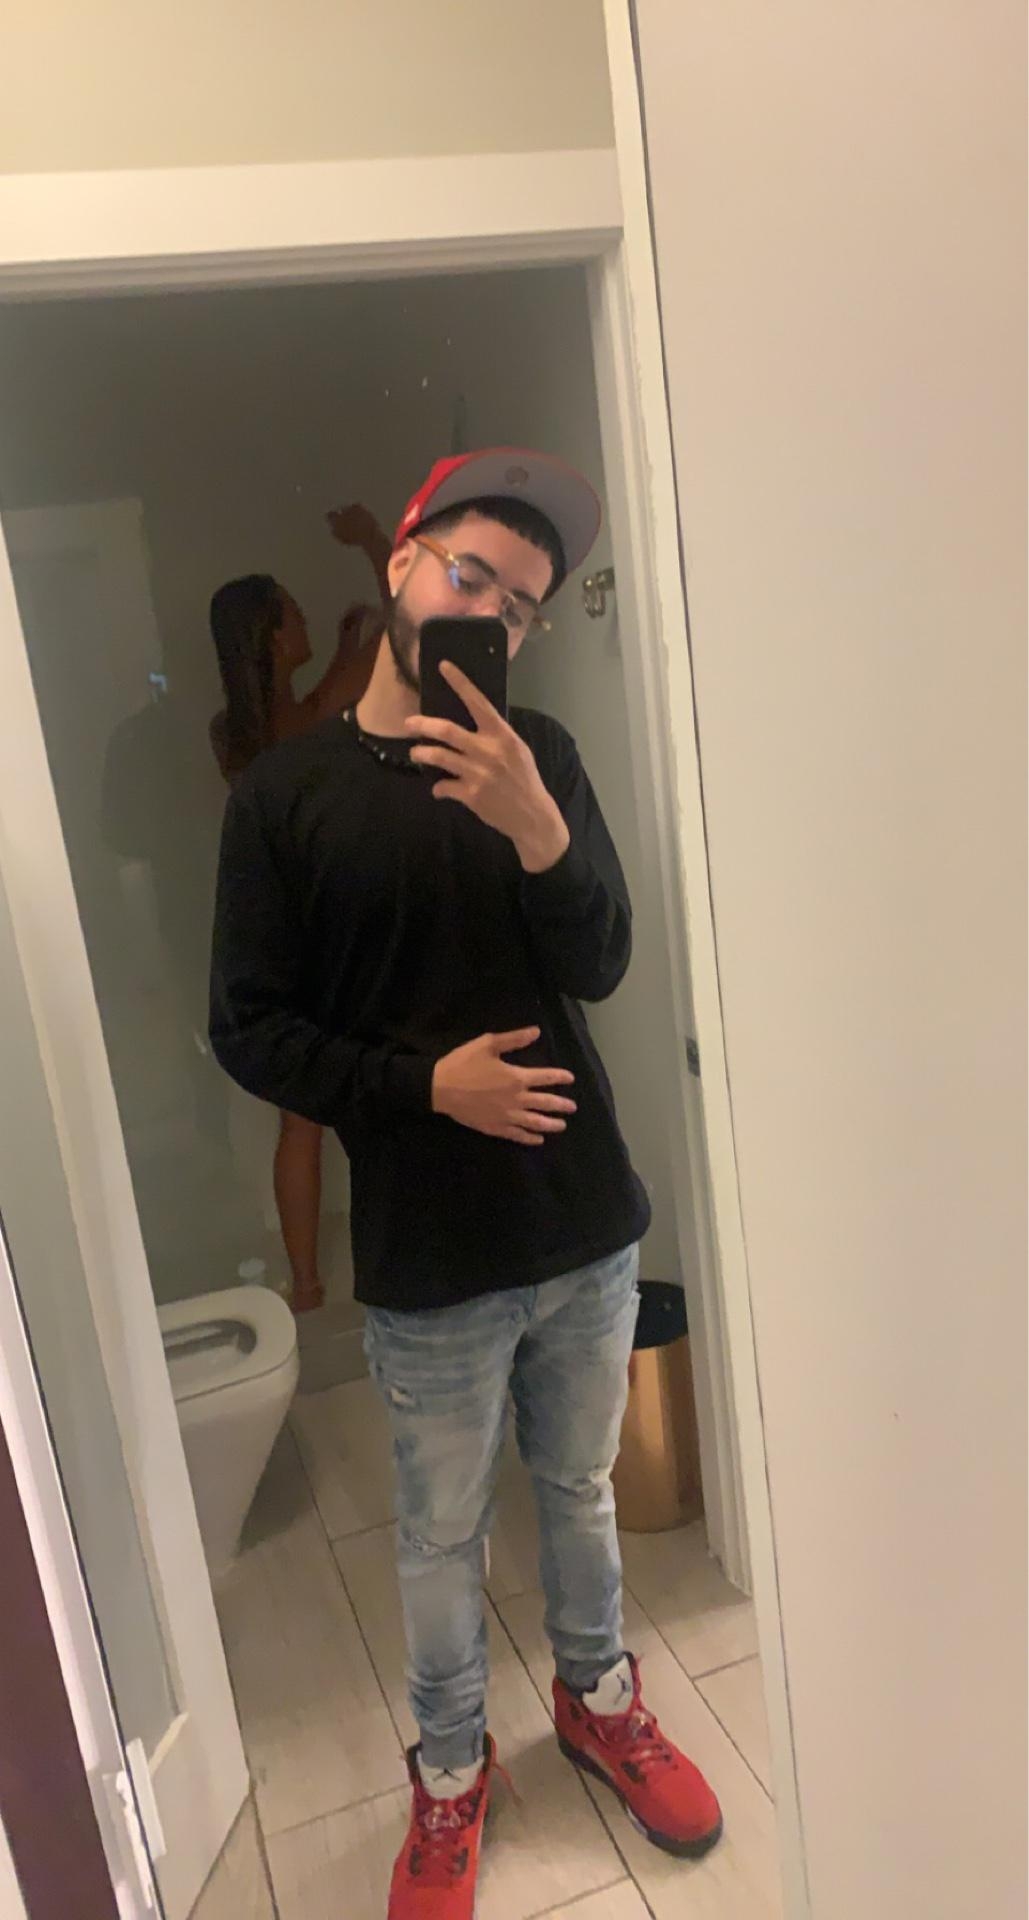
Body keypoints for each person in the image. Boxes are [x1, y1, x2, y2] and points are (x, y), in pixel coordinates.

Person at [209, 449, 723, 1917]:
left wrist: (540, 829)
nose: (489, 611)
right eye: (469, 575)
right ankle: (449, 1769)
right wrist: (425, 1087)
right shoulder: (285, 795)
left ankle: (598, 1699)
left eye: (520, 603)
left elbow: (601, 959)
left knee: (579, 1488)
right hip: (431, 1251)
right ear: (402, 564)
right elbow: (248, 1027)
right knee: (439, 1536)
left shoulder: (540, 753)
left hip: (583, 1225)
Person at [208, 512, 387, 1309]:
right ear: (275, 639)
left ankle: (306, 1283)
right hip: (338, 925)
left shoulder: (230, 732)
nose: (306, 618)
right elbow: (407, 627)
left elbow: (304, 710)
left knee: (299, 1124)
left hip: (283, 934)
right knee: (386, 1095)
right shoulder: (312, 714)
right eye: (293, 613)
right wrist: (375, 542)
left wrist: (343, 654)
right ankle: (391, 1264)